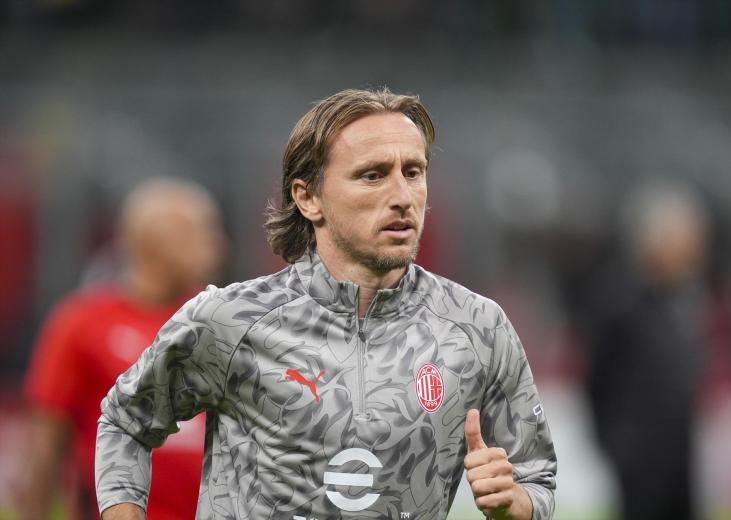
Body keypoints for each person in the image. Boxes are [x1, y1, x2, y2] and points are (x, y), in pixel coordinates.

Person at [95, 88, 557, 520]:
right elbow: (124, 421)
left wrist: (516, 503)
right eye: (372, 175)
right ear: (308, 198)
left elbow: (537, 480)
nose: (401, 197)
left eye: (413, 173)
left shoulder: (477, 327)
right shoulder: (232, 322)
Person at [20, 178, 226, 520]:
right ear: (156, 242)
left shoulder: (220, 322)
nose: (217, 244)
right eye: (200, 232)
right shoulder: (81, 323)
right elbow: (44, 447)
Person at [582, 180, 709, 520]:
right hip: (640, 468)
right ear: (656, 242)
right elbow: (596, 381)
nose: (694, 251)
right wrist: (617, 449)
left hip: (679, 463)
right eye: (684, 240)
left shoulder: (682, 302)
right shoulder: (620, 304)